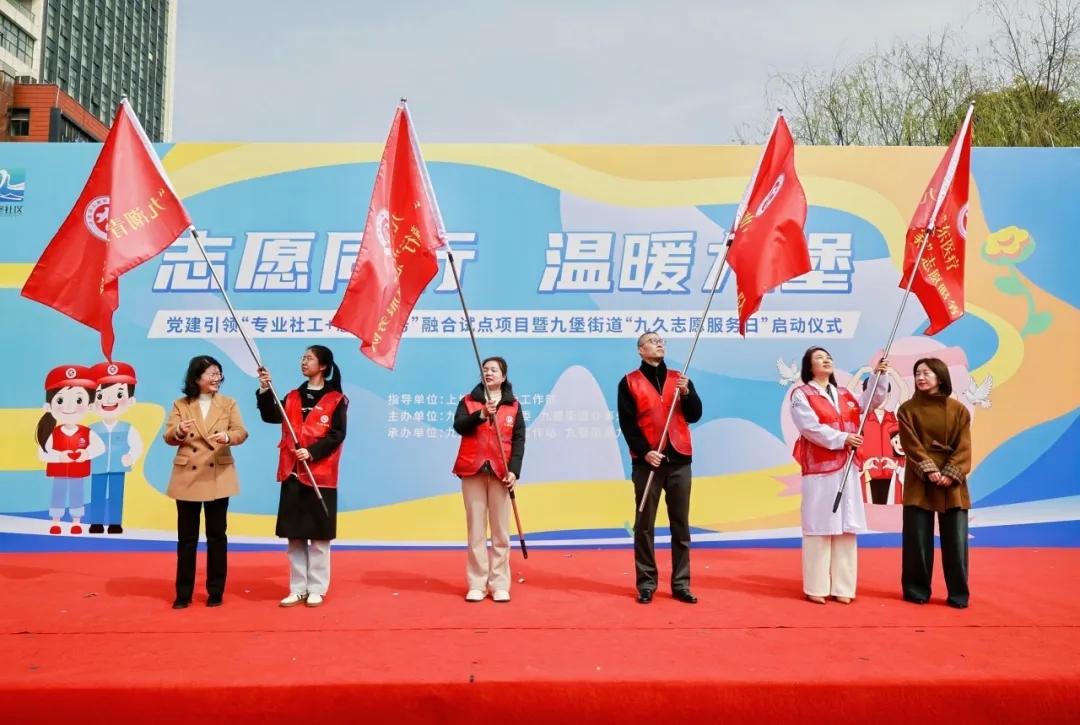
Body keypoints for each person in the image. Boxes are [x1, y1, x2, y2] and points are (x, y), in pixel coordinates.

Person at [789, 347, 890, 605]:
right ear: (809, 366)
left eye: (829, 357)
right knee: (819, 527)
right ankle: (816, 586)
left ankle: (844, 588)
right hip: (820, 469)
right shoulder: (802, 394)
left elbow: (871, 402)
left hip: (847, 466)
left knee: (846, 527)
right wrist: (843, 438)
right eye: (819, 358)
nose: (826, 360)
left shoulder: (845, 394)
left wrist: (880, 377)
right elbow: (810, 428)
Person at [257, 345, 348, 609]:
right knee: (295, 536)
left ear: (322, 366)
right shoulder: (292, 396)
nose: (303, 362)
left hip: (321, 475)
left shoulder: (336, 399)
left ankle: (317, 587)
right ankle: (298, 588)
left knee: (319, 537)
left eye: (309, 358)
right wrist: (265, 389)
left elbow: (337, 434)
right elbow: (270, 415)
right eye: (302, 358)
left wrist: (312, 452)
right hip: (293, 473)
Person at [617, 332, 703, 605]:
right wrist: (645, 452)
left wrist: (687, 394)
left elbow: (695, 415)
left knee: (681, 526)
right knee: (644, 525)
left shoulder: (680, 379)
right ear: (641, 350)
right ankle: (646, 583)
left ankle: (681, 584)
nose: (659, 344)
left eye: (662, 341)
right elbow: (628, 425)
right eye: (653, 341)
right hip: (648, 463)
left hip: (679, 460)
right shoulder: (629, 382)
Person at [163, 355, 248, 609]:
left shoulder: (228, 403)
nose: (216, 378)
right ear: (196, 378)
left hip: (217, 474)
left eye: (218, 373)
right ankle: (183, 593)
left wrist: (227, 436)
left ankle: (215, 591)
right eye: (210, 374)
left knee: (216, 536)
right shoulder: (181, 404)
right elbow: (168, 435)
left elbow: (241, 432)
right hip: (188, 475)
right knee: (186, 538)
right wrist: (178, 432)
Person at [897, 357, 973, 609]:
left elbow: (964, 447)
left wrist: (950, 473)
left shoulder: (959, 409)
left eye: (926, 373)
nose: (920, 377)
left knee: (957, 543)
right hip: (919, 480)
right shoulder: (907, 409)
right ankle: (916, 590)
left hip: (953, 482)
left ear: (940, 376)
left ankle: (958, 595)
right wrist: (929, 470)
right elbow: (910, 445)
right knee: (916, 539)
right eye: (917, 372)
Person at [452, 356, 526, 603]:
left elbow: (518, 440)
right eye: (485, 369)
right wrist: (481, 414)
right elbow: (459, 426)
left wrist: (514, 470)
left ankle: (499, 583)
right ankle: (476, 583)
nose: (489, 372)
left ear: (503, 376)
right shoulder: (469, 401)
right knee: (475, 529)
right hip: (472, 469)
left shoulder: (513, 405)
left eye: (494, 369)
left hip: (501, 471)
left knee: (501, 531)